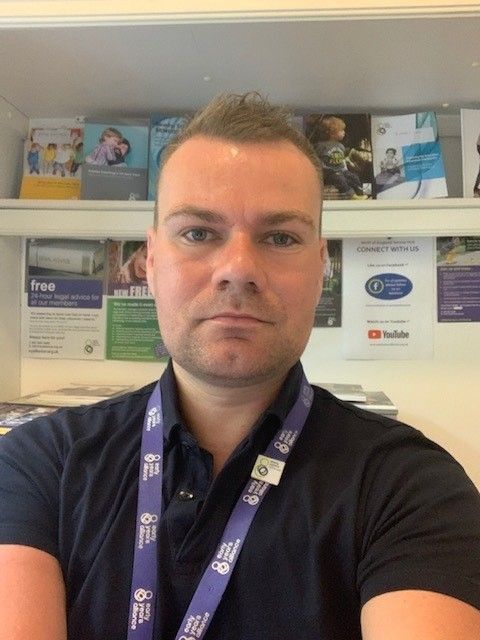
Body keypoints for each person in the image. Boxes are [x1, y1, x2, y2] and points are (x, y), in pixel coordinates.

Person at [0, 93, 479, 640]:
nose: (238, 268)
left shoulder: (411, 484)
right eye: (199, 233)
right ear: (151, 261)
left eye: (280, 237)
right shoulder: (38, 465)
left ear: (321, 268)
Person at [313, 115, 368, 200]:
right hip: (329, 172)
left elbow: (343, 160)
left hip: (341, 170)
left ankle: (360, 193)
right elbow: (315, 158)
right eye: (341, 130)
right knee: (339, 178)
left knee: (353, 177)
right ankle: (350, 195)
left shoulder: (341, 146)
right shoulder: (321, 146)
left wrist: (346, 169)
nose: (344, 132)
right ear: (332, 133)